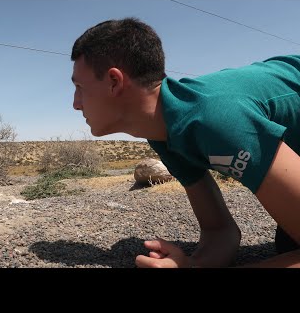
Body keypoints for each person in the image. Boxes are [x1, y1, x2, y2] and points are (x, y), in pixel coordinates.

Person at [70, 17, 300, 268]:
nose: (76, 103)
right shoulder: (166, 131)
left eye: (80, 87)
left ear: (114, 81)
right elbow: (219, 231)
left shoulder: (214, 119)